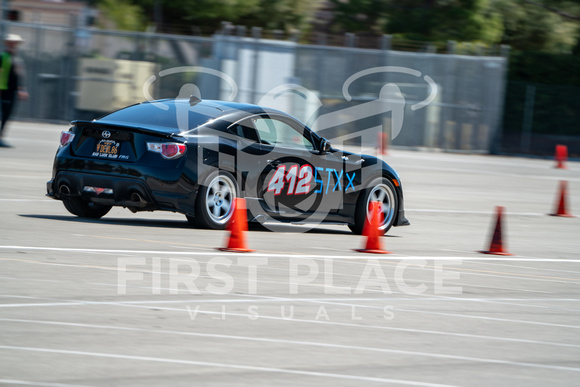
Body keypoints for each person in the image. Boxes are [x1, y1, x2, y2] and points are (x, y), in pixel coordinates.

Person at [0, 33, 29, 147]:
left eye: (15, 43)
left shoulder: (16, 59)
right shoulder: (3, 56)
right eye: (11, 43)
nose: (13, 45)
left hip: (11, 91)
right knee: (3, 114)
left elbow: (18, 76)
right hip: (3, 90)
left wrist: (21, 89)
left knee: (6, 115)